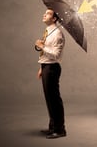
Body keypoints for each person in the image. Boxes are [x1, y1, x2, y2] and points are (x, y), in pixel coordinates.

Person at [35, 9, 66, 139]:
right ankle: (52, 127)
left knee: (54, 100)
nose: (44, 14)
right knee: (49, 99)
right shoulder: (49, 31)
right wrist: (42, 66)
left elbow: (56, 55)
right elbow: (47, 53)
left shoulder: (57, 34)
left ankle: (59, 130)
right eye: (45, 12)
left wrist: (41, 46)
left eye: (47, 14)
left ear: (54, 19)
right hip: (47, 66)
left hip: (52, 68)